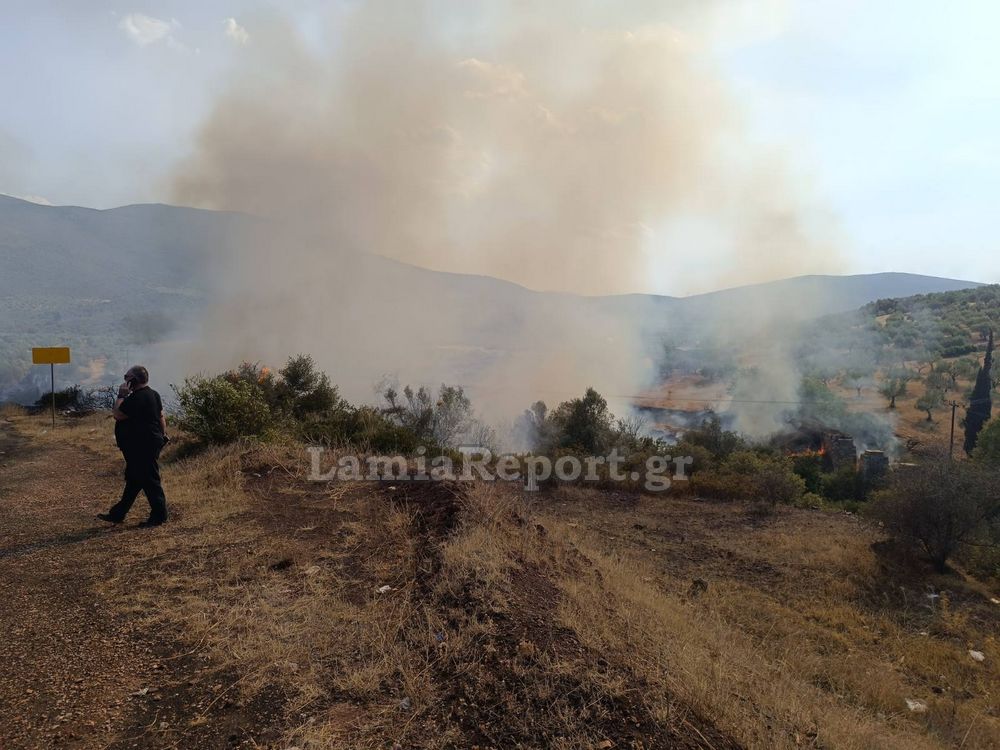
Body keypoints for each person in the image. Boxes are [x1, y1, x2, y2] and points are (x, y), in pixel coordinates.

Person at [97, 365, 169, 527]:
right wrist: (162, 436)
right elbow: (161, 417)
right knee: (134, 479)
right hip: (145, 444)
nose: (124, 380)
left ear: (133, 380)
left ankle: (159, 516)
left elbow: (118, 414)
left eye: (126, 377)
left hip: (141, 446)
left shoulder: (137, 397)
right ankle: (118, 514)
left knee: (150, 480)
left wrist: (121, 395)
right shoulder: (153, 394)